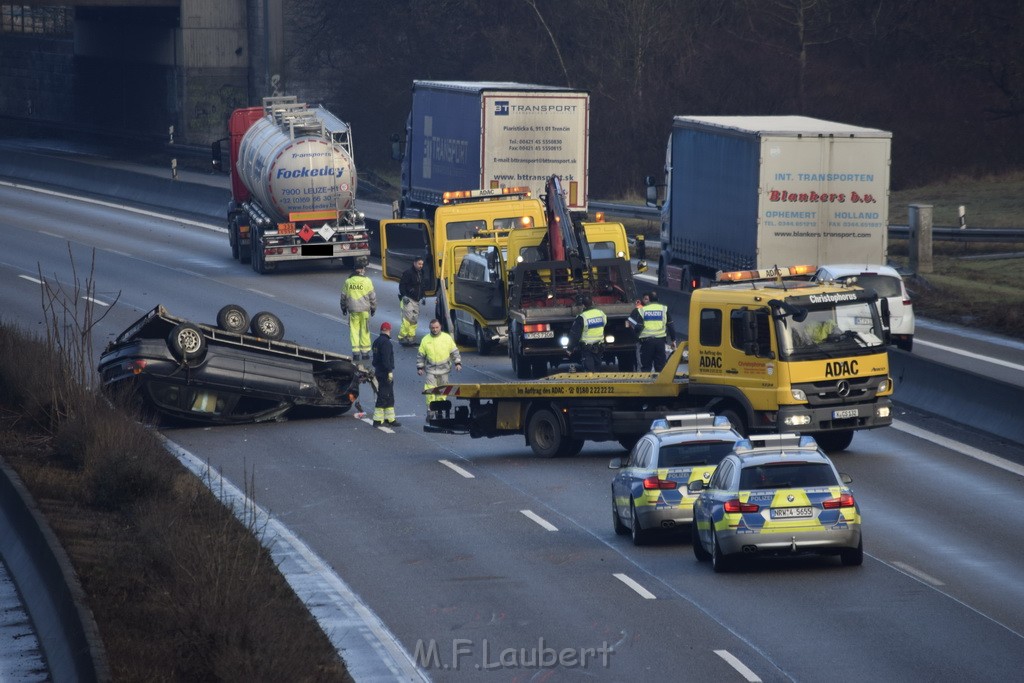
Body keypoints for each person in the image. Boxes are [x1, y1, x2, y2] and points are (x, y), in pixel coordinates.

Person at [417, 318, 462, 412]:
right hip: (431, 371)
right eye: (433, 328)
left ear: (440, 327)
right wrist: (420, 367)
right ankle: (431, 409)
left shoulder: (447, 338)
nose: (435, 329)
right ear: (430, 328)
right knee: (430, 390)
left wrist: (457, 363)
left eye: (437, 327)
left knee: (442, 391)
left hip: (444, 370)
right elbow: (421, 355)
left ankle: (440, 409)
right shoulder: (425, 340)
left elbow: (454, 352)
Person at [340, 257, 377, 360]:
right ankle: (365, 353)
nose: (364, 270)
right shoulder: (367, 281)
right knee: (365, 331)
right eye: (364, 269)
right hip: (364, 311)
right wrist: (373, 308)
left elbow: (343, 296)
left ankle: (356, 353)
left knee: (354, 331)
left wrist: (343, 308)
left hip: (353, 312)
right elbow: (372, 297)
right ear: (361, 270)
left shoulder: (348, 281)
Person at [634, 291, 677, 372]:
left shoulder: (643, 310)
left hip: (646, 343)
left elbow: (638, 327)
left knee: (646, 368)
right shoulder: (664, 309)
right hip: (660, 343)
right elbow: (670, 326)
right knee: (660, 368)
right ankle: (659, 384)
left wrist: (636, 338)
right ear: (658, 299)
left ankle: (646, 384)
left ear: (649, 299)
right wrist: (673, 340)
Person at [567, 293, 607, 372]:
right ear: (592, 303)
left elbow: (575, 335)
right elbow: (604, 324)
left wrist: (570, 349)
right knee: (597, 369)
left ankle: (592, 383)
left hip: (587, 349)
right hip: (599, 346)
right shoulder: (601, 314)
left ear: (583, 306)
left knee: (589, 371)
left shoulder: (582, 317)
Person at [371, 321, 399, 427]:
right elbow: (386, 359)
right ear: (389, 330)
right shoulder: (386, 343)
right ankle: (377, 420)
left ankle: (390, 418)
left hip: (378, 371)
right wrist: (389, 371)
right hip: (385, 373)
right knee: (383, 395)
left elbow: (375, 359)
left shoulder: (377, 341)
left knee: (389, 396)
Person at [398, 255, 427, 346]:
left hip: (416, 299)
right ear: (414, 263)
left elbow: (422, 286)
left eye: (422, 264)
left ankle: (411, 338)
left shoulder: (421, 273)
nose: (421, 266)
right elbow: (402, 285)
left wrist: (423, 296)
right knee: (408, 318)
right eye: (419, 264)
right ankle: (402, 337)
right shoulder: (408, 273)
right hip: (408, 299)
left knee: (414, 319)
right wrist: (404, 296)